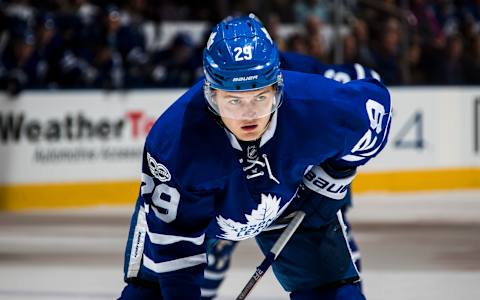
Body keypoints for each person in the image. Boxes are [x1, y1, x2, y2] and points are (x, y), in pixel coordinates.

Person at [118, 14, 391, 300]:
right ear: (211, 94)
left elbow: (377, 107)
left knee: (332, 293)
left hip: (290, 200)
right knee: (150, 294)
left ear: (278, 87)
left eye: (260, 97)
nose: (249, 115)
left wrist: (334, 175)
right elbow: (175, 246)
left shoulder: (316, 105)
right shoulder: (176, 140)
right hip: (197, 213)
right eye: (234, 100)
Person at [200, 51, 382, 299]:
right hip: (244, 178)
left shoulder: (300, 70)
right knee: (214, 245)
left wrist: (334, 171)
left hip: (301, 173)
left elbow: (363, 94)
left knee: (329, 242)